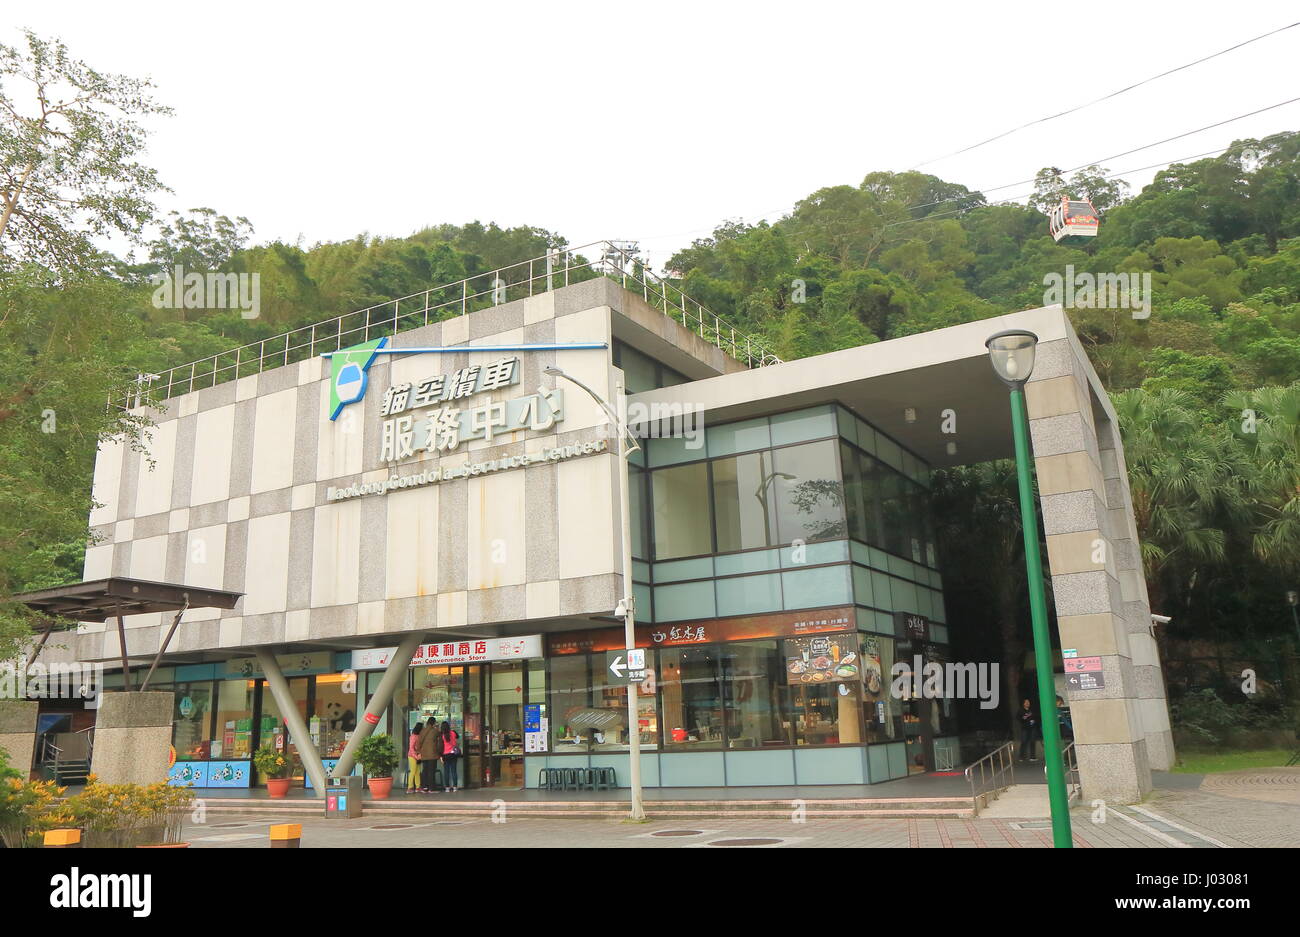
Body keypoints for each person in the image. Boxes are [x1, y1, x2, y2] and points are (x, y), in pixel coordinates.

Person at [417, 718, 444, 792]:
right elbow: (439, 743)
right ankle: (431, 788)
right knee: (431, 771)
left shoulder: (422, 731)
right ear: (434, 723)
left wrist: (418, 752)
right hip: (433, 754)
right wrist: (439, 752)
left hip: (424, 754)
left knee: (425, 770)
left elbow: (418, 743)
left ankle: (424, 787)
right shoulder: (435, 731)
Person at [440, 720, 461, 793]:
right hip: (453, 754)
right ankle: (455, 787)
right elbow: (458, 737)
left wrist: (441, 756)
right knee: (454, 771)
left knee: (446, 772)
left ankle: (447, 788)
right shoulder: (453, 732)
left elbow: (441, 746)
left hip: (445, 755)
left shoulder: (442, 735)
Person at [406, 722, 423, 793]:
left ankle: (418, 787)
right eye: (422, 728)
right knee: (413, 771)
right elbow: (411, 748)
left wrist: (420, 755)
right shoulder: (413, 736)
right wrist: (416, 756)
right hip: (412, 756)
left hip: (418, 756)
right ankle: (410, 787)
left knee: (417, 772)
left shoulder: (419, 736)